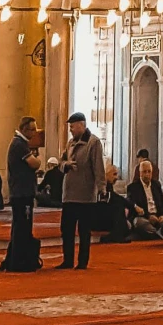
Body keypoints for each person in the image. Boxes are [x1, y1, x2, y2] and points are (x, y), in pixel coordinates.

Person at [59, 112, 105, 271]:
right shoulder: (70, 143)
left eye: (72, 126)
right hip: (69, 193)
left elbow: (98, 167)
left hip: (85, 195)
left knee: (84, 231)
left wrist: (101, 187)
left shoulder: (94, 143)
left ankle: (82, 262)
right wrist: (66, 165)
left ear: (81, 125)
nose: (70, 130)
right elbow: (61, 161)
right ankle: (67, 260)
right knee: (66, 229)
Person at [2, 115, 42, 272]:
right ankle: (19, 262)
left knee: (20, 227)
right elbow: (35, 163)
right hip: (22, 193)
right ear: (25, 129)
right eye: (33, 130)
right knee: (22, 228)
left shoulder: (20, 143)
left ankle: (16, 260)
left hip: (21, 192)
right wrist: (37, 160)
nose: (34, 133)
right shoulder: (19, 144)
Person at [126, 156, 163, 241]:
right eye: (144, 172)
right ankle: (159, 234)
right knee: (139, 223)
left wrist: (162, 216)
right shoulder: (133, 187)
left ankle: (155, 234)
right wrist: (148, 216)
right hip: (143, 217)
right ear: (140, 173)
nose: (147, 174)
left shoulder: (156, 185)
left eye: (149, 172)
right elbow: (132, 205)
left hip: (157, 217)